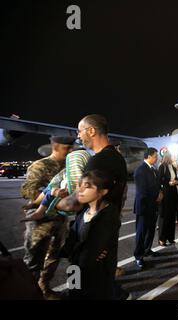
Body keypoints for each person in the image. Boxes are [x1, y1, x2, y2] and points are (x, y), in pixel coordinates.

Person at [58, 114, 129, 299]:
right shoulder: (117, 158)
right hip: (104, 230)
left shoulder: (97, 162)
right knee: (101, 282)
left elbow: (75, 202)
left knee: (82, 284)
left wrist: (52, 202)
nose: (78, 136)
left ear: (91, 131)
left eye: (80, 131)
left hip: (89, 234)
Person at [21, 135, 74, 299]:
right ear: (56, 147)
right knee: (33, 260)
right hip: (40, 221)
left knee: (54, 256)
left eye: (72, 147)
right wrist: (53, 196)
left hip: (59, 219)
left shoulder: (68, 166)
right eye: (67, 148)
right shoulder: (41, 165)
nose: (71, 150)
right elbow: (28, 192)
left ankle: (44, 288)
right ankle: (28, 293)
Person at [62, 170, 121, 299]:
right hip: (75, 270)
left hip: (96, 277)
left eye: (87, 186)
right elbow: (69, 246)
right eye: (79, 185)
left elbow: (90, 253)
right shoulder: (83, 211)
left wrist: (76, 250)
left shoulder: (107, 216)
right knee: (73, 294)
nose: (80, 190)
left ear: (103, 191)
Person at [21, 149, 91, 221]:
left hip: (65, 193)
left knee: (50, 193)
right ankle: (36, 204)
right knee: (48, 190)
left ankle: (39, 211)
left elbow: (74, 187)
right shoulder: (65, 169)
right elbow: (59, 178)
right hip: (59, 189)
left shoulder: (83, 177)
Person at [133, 148, 163, 270]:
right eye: (155, 156)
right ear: (149, 156)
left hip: (153, 205)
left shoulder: (153, 169)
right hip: (144, 206)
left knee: (150, 229)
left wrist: (160, 192)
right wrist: (157, 196)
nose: (157, 158)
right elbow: (142, 191)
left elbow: (156, 185)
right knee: (141, 232)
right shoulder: (141, 170)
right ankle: (138, 256)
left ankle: (147, 249)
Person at [158, 151, 178, 246]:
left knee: (171, 216)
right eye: (174, 156)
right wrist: (168, 183)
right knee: (165, 216)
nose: (175, 157)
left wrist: (175, 182)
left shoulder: (174, 167)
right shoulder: (162, 166)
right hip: (166, 193)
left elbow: (176, 178)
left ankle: (170, 237)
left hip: (173, 192)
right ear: (168, 157)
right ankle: (162, 238)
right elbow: (160, 179)